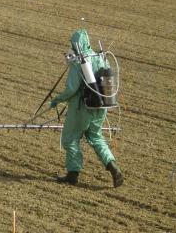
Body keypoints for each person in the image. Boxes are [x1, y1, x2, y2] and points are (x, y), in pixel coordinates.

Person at [49, 29, 124, 187]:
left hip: (81, 108)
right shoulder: (101, 57)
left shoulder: (79, 62)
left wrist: (57, 99)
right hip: (101, 106)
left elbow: (71, 89)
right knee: (96, 138)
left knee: (71, 139)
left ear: (75, 44)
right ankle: (113, 167)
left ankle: (73, 174)